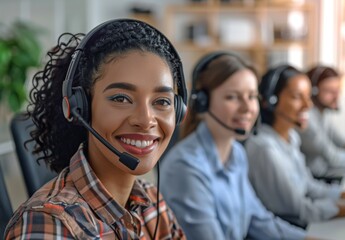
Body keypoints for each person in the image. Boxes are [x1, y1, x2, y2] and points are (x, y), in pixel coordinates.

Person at [5, 19, 187, 239]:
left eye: (162, 101)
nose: (146, 119)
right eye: (121, 98)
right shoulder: (48, 224)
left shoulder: (150, 203)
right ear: (80, 108)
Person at [160, 52, 308, 240]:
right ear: (203, 103)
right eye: (232, 97)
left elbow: (260, 221)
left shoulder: (236, 154)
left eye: (252, 96)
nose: (248, 108)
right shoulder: (185, 168)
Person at [245, 64, 345, 228]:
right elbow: (300, 210)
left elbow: (310, 187)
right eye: (297, 97)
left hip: (305, 219)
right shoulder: (265, 149)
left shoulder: (291, 137)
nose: (308, 105)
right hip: (290, 227)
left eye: (308, 96)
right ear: (271, 100)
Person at [298, 65, 345, 180]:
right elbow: (333, 157)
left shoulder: (322, 114)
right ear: (313, 91)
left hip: (327, 173)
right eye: (330, 91)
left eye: (337, 91)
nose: (336, 96)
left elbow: (343, 142)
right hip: (315, 178)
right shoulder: (307, 119)